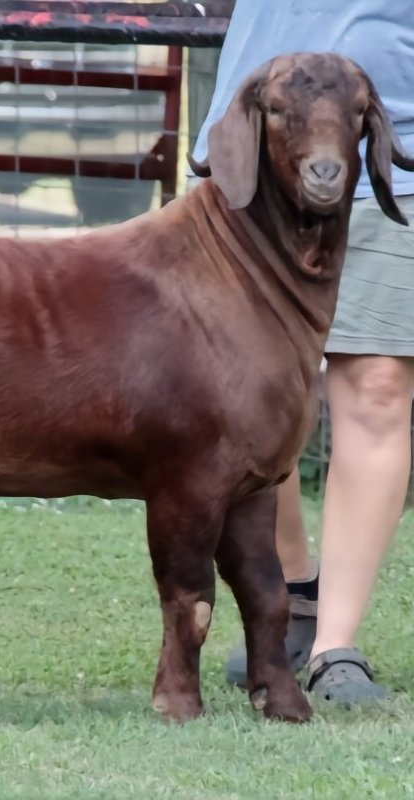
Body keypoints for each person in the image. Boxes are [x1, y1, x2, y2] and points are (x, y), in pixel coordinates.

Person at [191, 0, 414, 705]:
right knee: (247, 393)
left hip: (391, 155)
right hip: (256, 151)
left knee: (377, 386)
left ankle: (334, 646)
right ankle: (290, 595)